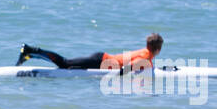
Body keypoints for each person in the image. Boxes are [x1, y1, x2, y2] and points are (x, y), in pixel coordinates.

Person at [16, 33, 163, 72]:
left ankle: (30, 55)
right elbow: (127, 68)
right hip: (100, 61)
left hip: (101, 61)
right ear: (158, 49)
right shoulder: (145, 57)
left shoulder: (145, 53)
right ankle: (30, 50)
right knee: (64, 63)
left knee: (67, 67)